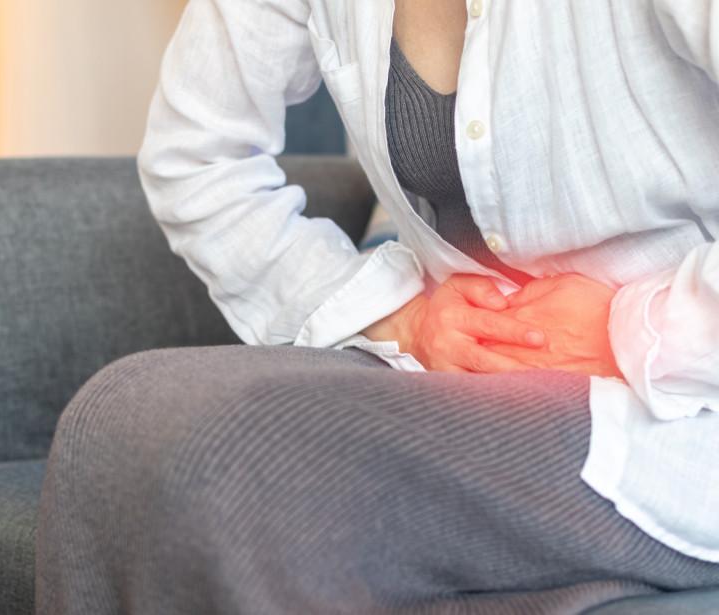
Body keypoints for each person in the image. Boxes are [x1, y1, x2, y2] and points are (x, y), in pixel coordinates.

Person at [35, 1, 719, 613]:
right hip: (459, 385)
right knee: (115, 411)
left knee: (250, 466)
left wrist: (637, 326)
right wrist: (400, 317)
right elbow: (195, 158)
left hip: (681, 411)